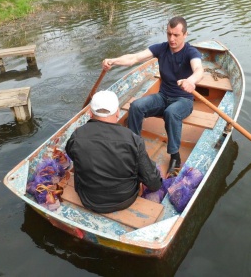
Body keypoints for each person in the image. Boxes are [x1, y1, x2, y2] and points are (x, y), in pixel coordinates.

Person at [102, 16, 204, 174]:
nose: (171, 38)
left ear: (185, 34)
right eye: (169, 34)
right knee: (136, 106)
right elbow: (134, 58)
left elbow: (199, 70)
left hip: (183, 100)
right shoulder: (161, 48)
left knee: (171, 112)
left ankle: (175, 156)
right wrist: (113, 61)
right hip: (163, 97)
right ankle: (135, 147)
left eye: (176, 35)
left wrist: (191, 80)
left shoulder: (191, 52)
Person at [65, 90, 162, 214]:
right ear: (117, 113)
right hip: (124, 199)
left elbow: (72, 156)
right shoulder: (133, 139)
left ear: (90, 113)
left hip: (88, 199)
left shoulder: (76, 136)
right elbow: (153, 183)